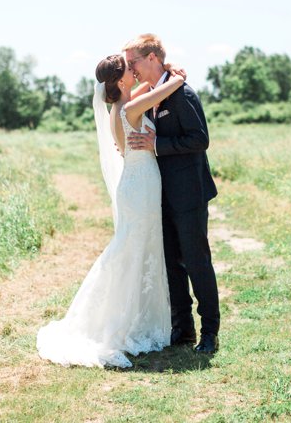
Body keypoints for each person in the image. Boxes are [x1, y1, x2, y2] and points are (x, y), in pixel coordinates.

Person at [36, 54, 186, 368]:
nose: (134, 72)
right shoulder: (130, 108)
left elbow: (145, 87)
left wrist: (152, 75)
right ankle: (125, 321)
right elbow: (158, 91)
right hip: (140, 187)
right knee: (132, 250)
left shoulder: (120, 106)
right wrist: (177, 79)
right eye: (129, 71)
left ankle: (136, 315)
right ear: (120, 82)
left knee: (137, 248)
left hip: (137, 184)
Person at [124, 34, 220, 354]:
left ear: (152, 58)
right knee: (171, 264)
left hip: (189, 193)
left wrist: (156, 146)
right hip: (160, 196)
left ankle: (210, 332)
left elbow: (199, 139)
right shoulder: (154, 93)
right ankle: (183, 330)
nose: (131, 68)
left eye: (134, 61)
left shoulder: (183, 94)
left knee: (196, 262)